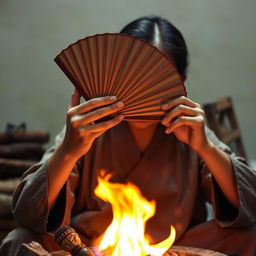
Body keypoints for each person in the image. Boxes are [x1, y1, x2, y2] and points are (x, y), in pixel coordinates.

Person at [1, 16, 256, 256]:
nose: (145, 94)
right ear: (116, 76)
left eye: (158, 81)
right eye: (135, 79)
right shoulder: (92, 127)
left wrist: (206, 148)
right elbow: (28, 214)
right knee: (19, 239)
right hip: (93, 247)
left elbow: (249, 204)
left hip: (174, 248)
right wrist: (69, 150)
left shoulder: (190, 129)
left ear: (181, 81)